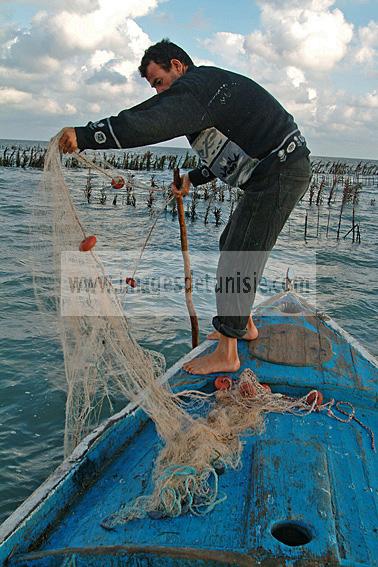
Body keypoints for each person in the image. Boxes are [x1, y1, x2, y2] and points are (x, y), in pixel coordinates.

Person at [59, 39, 311, 375]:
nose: (159, 94)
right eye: (153, 88)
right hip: (271, 172)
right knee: (231, 243)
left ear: (177, 65)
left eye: (159, 82)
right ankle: (243, 325)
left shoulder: (197, 88)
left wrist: (87, 135)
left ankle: (228, 353)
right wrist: (193, 177)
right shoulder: (205, 92)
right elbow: (233, 153)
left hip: (280, 171)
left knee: (239, 256)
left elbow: (148, 121)